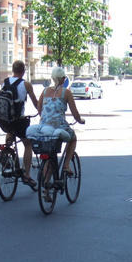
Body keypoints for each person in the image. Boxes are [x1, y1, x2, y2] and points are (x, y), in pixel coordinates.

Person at [37, 66, 85, 199]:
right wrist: (80, 120)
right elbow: (75, 113)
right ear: (63, 79)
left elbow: (39, 108)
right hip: (59, 126)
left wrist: (45, 119)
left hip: (44, 127)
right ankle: (66, 165)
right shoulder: (66, 93)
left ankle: (46, 188)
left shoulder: (45, 91)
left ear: (52, 78)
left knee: (49, 154)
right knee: (73, 138)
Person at [0, 60, 39, 187]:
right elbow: (36, 103)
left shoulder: (5, 82)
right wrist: (42, 113)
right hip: (18, 120)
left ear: (13, 70)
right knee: (28, 144)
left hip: (3, 120)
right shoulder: (26, 85)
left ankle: (7, 152)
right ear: (23, 71)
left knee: (10, 131)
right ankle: (26, 175)